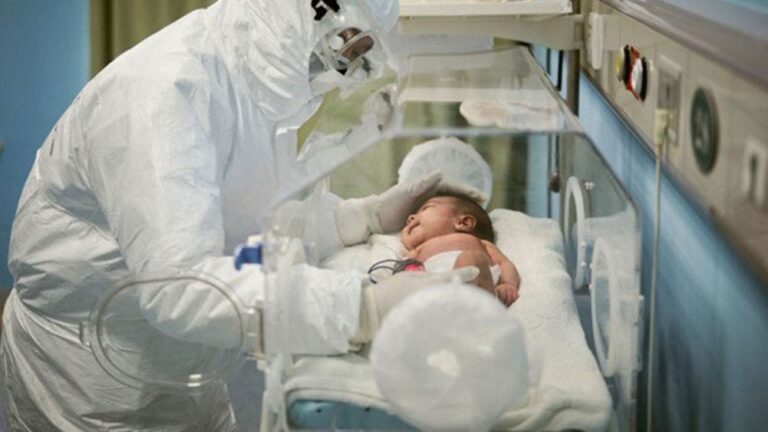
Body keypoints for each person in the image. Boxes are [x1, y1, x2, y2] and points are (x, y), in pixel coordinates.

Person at [0, 0, 483, 430]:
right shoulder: (160, 93)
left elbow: (247, 215)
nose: (346, 67)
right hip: (91, 379)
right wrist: (360, 308)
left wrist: (361, 217)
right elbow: (179, 289)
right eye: (346, 45)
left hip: (189, 365)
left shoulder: (260, 83)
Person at [399, 194, 521, 306]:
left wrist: (508, 283)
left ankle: (469, 308)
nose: (410, 218)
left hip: (475, 286)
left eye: (426, 208)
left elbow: (504, 263)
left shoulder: (478, 243)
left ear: (464, 223)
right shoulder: (418, 250)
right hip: (433, 289)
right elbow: (402, 271)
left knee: (471, 259)